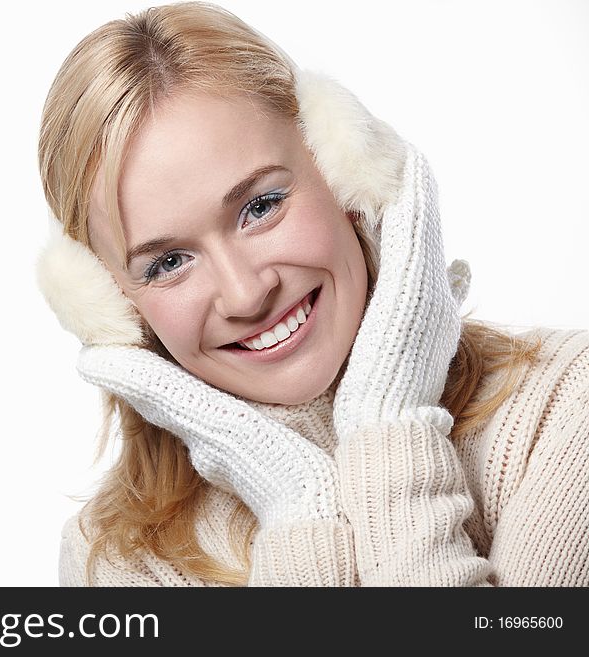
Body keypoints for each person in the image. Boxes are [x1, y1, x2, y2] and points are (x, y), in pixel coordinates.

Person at [35, 1, 589, 586]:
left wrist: (388, 422)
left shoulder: (566, 408)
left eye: (262, 206)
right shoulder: (115, 563)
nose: (246, 294)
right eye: (169, 262)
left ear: (343, 172)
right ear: (110, 310)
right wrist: (298, 502)